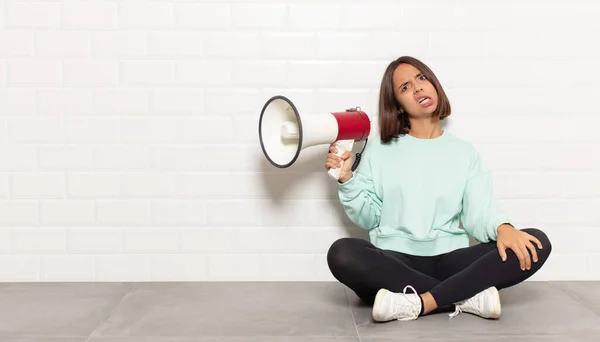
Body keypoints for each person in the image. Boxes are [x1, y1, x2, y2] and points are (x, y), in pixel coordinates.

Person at [325, 56, 552, 322]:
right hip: (394, 261)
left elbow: (480, 212)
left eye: (421, 78)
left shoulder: (465, 153)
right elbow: (369, 217)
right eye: (405, 87)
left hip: (451, 260)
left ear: (434, 84)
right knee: (342, 253)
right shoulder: (379, 149)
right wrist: (347, 179)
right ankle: (464, 295)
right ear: (397, 106)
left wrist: (505, 229)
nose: (418, 88)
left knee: (537, 242)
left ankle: (418, 301)